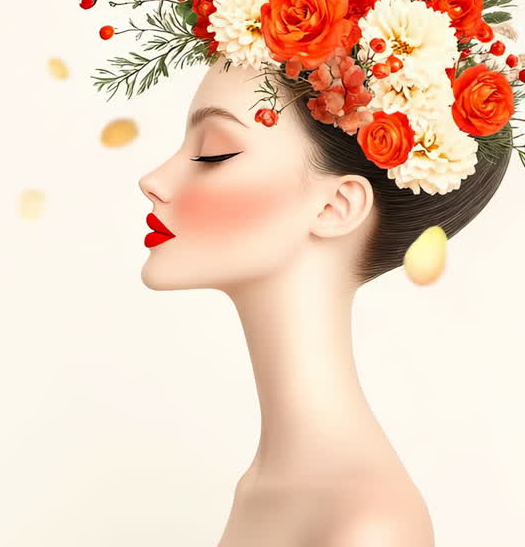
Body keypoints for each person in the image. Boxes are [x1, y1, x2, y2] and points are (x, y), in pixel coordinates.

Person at [137, 58, 510, 546]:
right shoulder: (263, 487)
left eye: (212, 154)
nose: (153, 180)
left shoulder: (366, 525)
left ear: (336, 207)